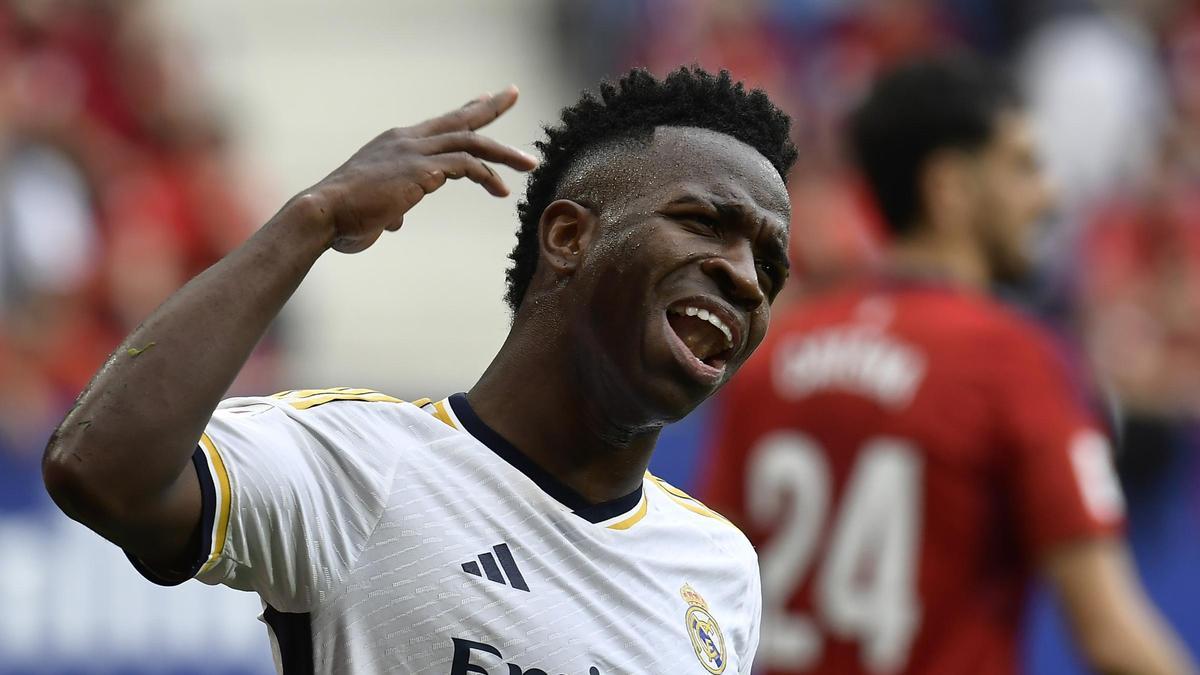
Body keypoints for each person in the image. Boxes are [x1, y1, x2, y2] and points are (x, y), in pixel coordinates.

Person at [41, 67, 797, 674]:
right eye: (704, 222)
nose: (745, 277)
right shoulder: (361, 464)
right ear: (568, 236)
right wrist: (316, 216)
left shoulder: (719, 568)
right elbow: (98, 468)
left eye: (769, 263)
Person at [698, 56, 1197, 675]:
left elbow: (707, 583)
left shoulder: (776, 358)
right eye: (1022, 166)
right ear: (950, 187)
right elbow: (1111, 636)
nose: (1048, 194)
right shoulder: (1015, 362)